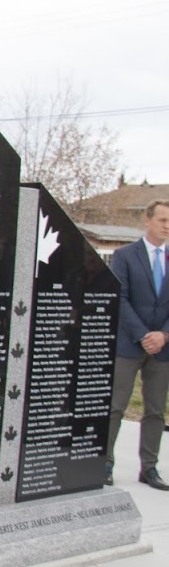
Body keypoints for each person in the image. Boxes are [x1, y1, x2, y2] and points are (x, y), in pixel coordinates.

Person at [106, 199, 169, 490]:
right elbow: (121, 297)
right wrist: (144, 334)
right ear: (147, 220)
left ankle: (149, 468)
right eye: (163, 220)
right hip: (130, 345)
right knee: (116, 406)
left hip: (163, 348)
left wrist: (163, 335)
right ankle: (105, 463)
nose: (167, 226)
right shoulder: (125, 255)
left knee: (155, 410)